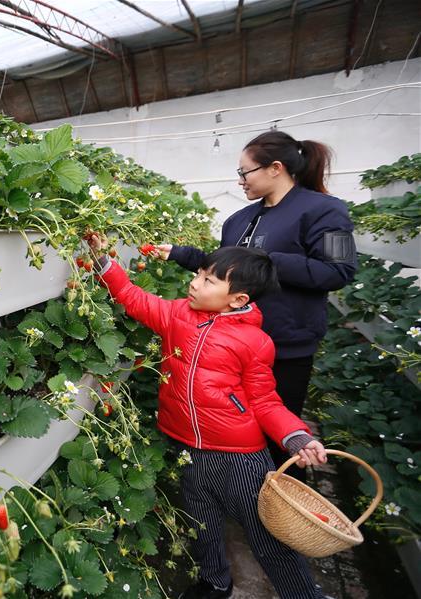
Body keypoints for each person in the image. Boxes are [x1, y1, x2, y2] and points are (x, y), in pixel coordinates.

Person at [91, 243, 330, 599]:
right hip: (188, 446)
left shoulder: (254, 342)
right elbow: (133, 297)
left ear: (237, 299)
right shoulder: (177, 315)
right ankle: (215, 583)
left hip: (241, 457)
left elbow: (265, 401)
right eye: (199, 274)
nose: (195, 284)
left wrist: (295, 435)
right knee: (201, 522)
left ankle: (303, 595)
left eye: (209, 280)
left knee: (264, 535)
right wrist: (104, 263)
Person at [151, 131, 356, 480]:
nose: (240, 180)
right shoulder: (238, 221)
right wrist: (178, 253)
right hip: (230, 345)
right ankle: (242, 494)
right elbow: (224, 271)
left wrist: (266, 260)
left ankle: (283, 505)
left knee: (279, 430)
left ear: (275, 168)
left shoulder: (326, 211)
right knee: (236, 426)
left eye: (245, 172)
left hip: (285, 346)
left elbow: (340, 270)